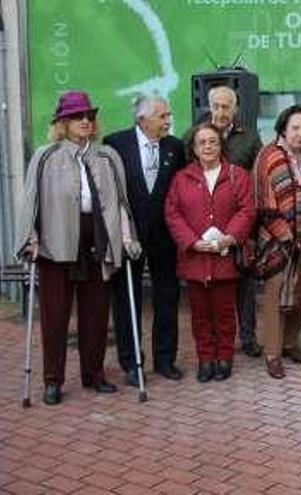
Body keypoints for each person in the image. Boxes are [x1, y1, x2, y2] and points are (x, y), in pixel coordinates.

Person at [16, 90, 141, 405]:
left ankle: (93, 374)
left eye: (89, 116)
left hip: (97, 242)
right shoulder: (46, 155)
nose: (86, 121)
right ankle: (52, 381)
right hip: (55, 244)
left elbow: (121, 203)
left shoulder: (107, 156)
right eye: (77, 116)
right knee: (55, 316)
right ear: (63, 122)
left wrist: (127, 238)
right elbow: (30, 202)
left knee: (97, 314)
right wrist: (29, 238)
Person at [105, 95, 186, 386]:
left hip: (165, 237)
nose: (168, 121)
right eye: (163, 116)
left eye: (168, 115)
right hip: (130, 235)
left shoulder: (175, 147)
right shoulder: (115, 143)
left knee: (167, 296)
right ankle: (131, 362)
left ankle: (165, 359)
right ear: (142, 119)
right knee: (127, 298)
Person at [165, 123, 255, 382]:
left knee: (225, 315)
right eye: (202, 142)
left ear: (221, 145)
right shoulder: (181, 178)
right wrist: (191, 242)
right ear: (193, 148)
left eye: (213, 142)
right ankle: (205, 359)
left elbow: (247, 210)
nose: (208, 147)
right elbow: (172, 213)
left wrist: (230, 237)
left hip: (225, 259)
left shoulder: (237, 175)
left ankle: (224, 358)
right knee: (200, 316)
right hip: (195, 259)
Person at [253, 105, 301, 379]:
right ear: (283, 129)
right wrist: (284, 233)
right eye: (295, 128)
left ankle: (291, 343)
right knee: (275, 296)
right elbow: (263, 201)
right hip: (275, 239)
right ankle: (272, 352)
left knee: (298, 293)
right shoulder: (268, 156)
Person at [206, 85, 263, 358]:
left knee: (245, 286)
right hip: (206, 226)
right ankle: (217, 339)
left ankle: (248, 338)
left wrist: (250, 227)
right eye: (215, 106)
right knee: (213, 286)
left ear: (235, 109)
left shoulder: (250, 139)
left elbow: (258, 183)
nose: (220, 112)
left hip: (240, 225)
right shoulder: (196, 136)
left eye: (225, 106)